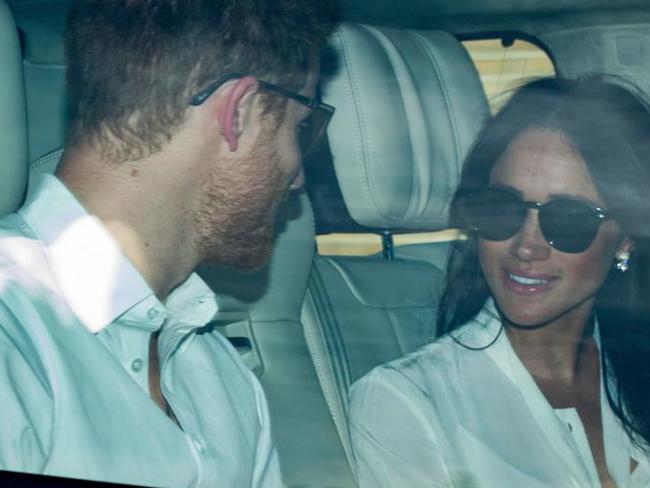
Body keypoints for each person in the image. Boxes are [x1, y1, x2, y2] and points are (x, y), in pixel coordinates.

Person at [0, 1, 337, 487]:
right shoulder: (13, 336)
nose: (299, 177)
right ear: (237, 114)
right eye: (299, 127)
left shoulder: (222, 375)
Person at [349, 76, 650, 488]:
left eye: (568, 220)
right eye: (502, 208)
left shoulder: (635, 368)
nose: (526, 246)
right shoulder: (409, 401)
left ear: (626, 237)